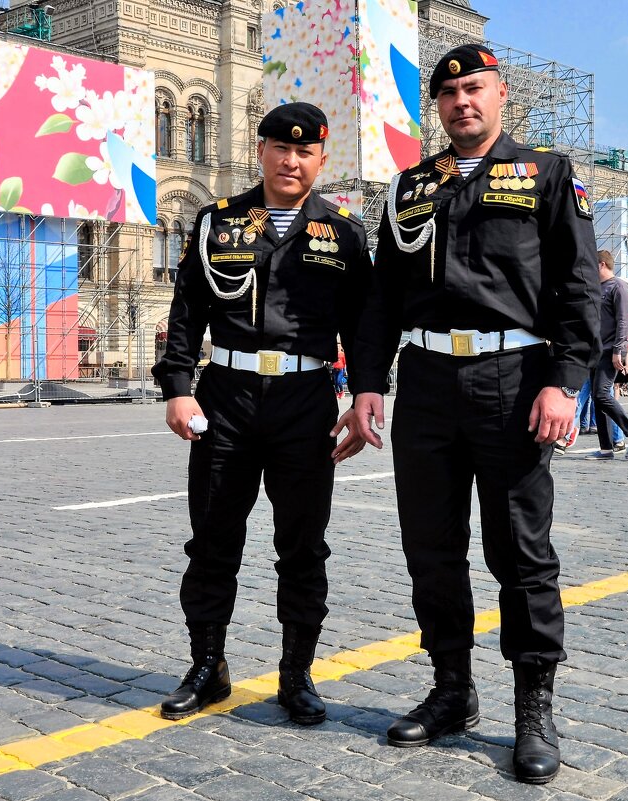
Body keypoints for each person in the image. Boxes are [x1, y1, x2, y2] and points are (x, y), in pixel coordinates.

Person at [346, 44, 600, 784]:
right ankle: (451, 690)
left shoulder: (546, 174)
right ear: (437, 105)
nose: (462, 100)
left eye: (475, 87)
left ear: (501, 94)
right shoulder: (409, 186)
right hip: (424, 378)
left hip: (512, 378)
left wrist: (565, 381)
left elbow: (577, 286)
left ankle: (533, 706)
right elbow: (380, 299)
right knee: (430, 546)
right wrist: (368, 383)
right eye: (449, 91)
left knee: (520, 553)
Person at [151, 102, 371, 727]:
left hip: (305, 404)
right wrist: (177, 385)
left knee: (303, 547)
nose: (292, 161)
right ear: (262, 150)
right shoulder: (217, 223)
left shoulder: (345, 234)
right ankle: (208, 666)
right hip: (226, 399)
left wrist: (364, 395)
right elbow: (187, 307)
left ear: (321, 158)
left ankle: (296, 672)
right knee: (213, 541)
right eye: (281, 148)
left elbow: (363, 325)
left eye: (305, 152)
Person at [585, 251, 628, 460]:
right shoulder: (596, 288)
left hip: (611, 349)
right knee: (597, 398)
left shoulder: (618, 286)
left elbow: (623, 320)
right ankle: (606, 448)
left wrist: (619, 349)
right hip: (596, 350)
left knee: (601, 395)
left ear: (601, 265)